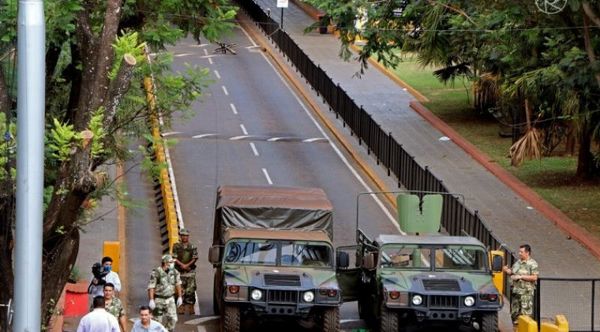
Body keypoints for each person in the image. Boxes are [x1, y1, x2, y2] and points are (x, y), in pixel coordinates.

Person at [503, 244, 539, 324]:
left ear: (527, 253)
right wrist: (507, 270)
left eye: (521, 252)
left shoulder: (532, 264)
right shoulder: (518, 263)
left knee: (525, 316)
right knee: (514, 314)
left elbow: (534, 277)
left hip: (526, 294)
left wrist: (521, 277)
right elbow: (513, 272)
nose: (519, 253)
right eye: (519, 251)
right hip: (516, 293)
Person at [147, 254, 183, 331]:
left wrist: (180, 297)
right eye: (170, 262)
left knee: (173, 319)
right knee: (157, 322)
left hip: (170, 299)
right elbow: (151, 287)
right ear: (165, 263)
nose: (172, 264)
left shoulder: (175, 272)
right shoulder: (156, 272)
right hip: (159, 300)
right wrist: (151, 300)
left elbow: (178, 284)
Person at [172, 228, 198, 314]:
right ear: (180, 236)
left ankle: (191, 307)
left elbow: (195, 258)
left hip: (189, 271)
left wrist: (187, 265)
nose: (185, 237)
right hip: (179, 271)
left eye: (186, 236)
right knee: (179, 289)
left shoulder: (192, 246)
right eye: (183, 236)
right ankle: (181, 306)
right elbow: (174, 258)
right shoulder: (176, 246)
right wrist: (182, 265)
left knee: (190, 290)